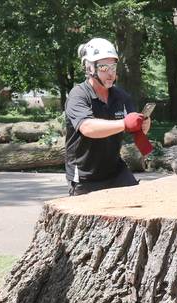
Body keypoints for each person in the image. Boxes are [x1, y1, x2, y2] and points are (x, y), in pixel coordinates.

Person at [64, 37, 153, 196]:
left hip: (116, 172)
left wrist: (143, 126)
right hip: (85, 177)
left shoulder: (121, 96)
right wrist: (124, 124)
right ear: (89, 68)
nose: (111, 73)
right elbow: (87, 128)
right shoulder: (78, 95)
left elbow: (134, 128)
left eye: (113, 66)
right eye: (104, 67)